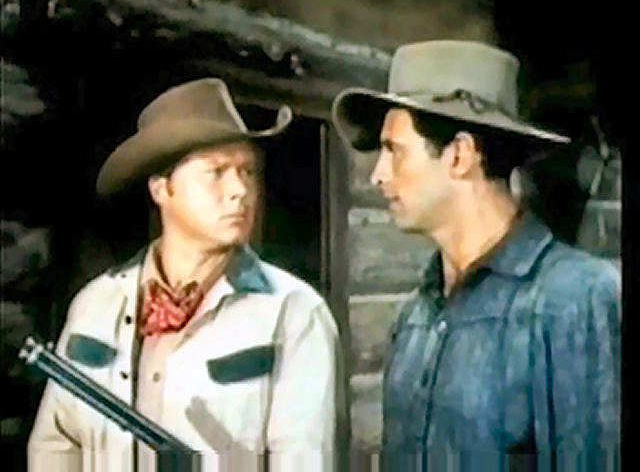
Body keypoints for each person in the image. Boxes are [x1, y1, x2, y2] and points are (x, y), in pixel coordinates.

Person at [332, 41, 620, 471]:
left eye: (394, 150)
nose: (378, 174)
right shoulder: (417, 315)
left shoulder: (574, 299)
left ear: (461, 155)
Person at [28, 78, 342, 472]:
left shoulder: (293, 314)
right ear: (162, 189)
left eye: (247, 172)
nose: (239, 191)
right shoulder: (96, 304)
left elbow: (304, 461)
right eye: (217, 172)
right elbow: (57, 443)